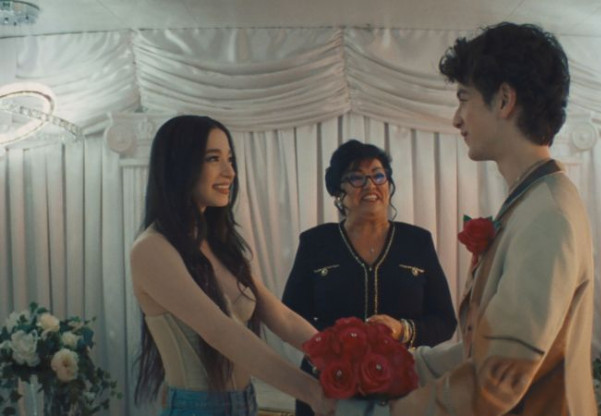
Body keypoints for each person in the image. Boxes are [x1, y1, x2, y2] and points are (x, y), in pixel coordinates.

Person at [389, 23, 597, 415]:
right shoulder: (531, 202)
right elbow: (488, 349)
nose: (456, 118)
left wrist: (384, 412)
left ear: (503, 100)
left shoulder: (548, 215)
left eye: (463, 99)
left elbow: (496, 382)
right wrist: (401, 367)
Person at [130, 115, 335, 416]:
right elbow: (220, 331)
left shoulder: (218, 244)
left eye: (230, 159)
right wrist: (311, 391)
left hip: (245, 403)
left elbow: (282, 317)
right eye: (213, 159)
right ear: (178, 166)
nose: (230, 172)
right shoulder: (151, 248)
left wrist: (338, 356)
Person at [282, 139, 458, 416]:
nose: (370, 185)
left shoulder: (417, 241)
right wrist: (333, 347)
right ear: (337, 190)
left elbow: (444, 320)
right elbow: (290, 314)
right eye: (356, 177)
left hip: (401, 386)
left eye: (378, 175)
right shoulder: (316, 242)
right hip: (328, 385)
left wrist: (402, 330)